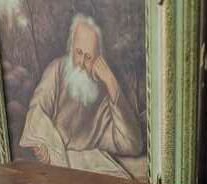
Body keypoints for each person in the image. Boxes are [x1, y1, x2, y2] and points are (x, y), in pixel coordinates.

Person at [19, 14, 143, 171]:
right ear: (71, 48)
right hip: (59, 162)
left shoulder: (102, 91)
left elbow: (131, 144)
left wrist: (113, 85)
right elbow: (37, 111)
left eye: (89, 57)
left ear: (99, 59)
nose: (82, 63)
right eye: (78, 52)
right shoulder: (56, 70)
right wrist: (41, 142)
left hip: (90, 166)